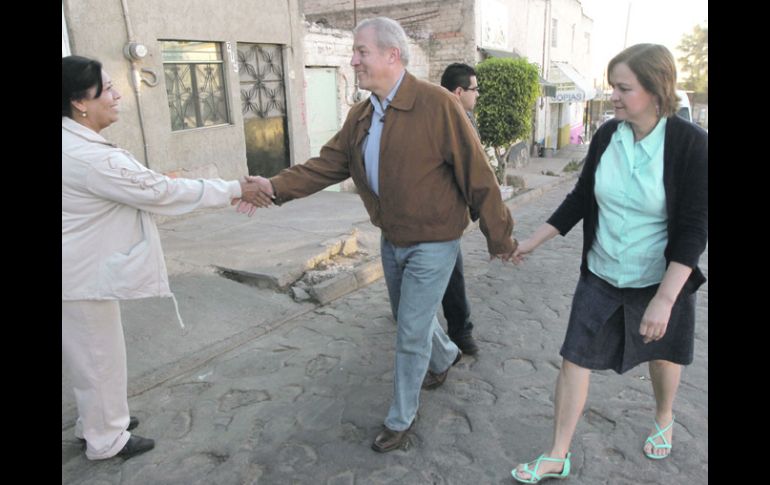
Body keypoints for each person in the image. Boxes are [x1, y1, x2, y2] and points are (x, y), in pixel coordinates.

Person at [242, 17, 517, 453]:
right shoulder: (363, 114)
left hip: (434, 240)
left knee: (409, 329)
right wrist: (274, 188)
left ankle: (399, 418)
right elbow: (325, 165)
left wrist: (499, 236)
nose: (353, 60)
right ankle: (444, 357)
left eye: (361, 52)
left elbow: (477, 173)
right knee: (413, 316)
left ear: (392, 55)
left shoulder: (437, 104)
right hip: (393, 239)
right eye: (354, 52)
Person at [508, 43, 707, 483]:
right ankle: (558, 453)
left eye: (623, 88)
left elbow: (694, 229)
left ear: (656, 90)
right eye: (612, 86)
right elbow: (580, 198)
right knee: (574, 359)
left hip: (658, 278)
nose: (612, 96)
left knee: (662, 355)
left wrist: (665, 299)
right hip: (601, 273)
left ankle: (663, 415)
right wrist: (532, 241)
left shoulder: (690, 145)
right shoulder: (606, 136)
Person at [62, 55, 270, 461]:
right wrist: (234, 188)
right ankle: (106, 440)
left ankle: (98, 423)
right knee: (99, 358)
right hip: (80, 275)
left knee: (91, 356)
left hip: (78, 270)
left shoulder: (73, 143)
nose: (117, 94)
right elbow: (159, 191)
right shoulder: (89, 156)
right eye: (107, 89)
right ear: (79, 103)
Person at [438, 62, 482, 356]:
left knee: (450, 274)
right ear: (458, 91)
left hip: (449, 217)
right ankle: (458, 334)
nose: (477, 95)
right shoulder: (437, 120)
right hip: (437, 217)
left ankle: (459, 331)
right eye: (475, 89)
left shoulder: (467, 120)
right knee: (451, 276)